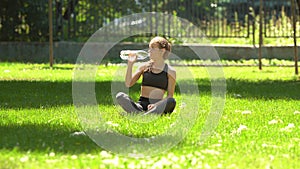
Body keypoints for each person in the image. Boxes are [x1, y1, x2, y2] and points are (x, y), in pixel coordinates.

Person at [116, 36, 176, 115]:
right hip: (141, 105)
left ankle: (141, 115)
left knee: (171, 101)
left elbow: (169, 96)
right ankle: (145, 115)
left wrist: (155, 105)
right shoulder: (144, 67)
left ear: (162, 51)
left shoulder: (170, 71)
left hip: (156, 106)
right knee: (120, 96)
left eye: (152, 48)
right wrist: (130, 64)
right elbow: (128, 83)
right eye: (149, 48)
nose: (149, 51)